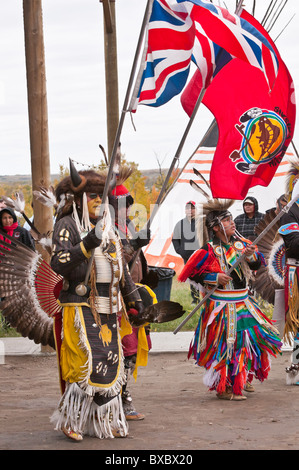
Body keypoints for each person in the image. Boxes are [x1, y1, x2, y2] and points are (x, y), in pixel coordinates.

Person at [50, 162, 146, 441]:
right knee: (84, 362)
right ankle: (73, 418)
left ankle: (105, 417)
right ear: (79, 199)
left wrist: (135, 300)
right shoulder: (67, 224)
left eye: (101, 198)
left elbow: (123, 271)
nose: (98, 202)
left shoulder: (109, 228)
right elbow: (58, 262)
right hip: (79, 305)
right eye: (93, 197)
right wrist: (86, 243)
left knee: (110, 360)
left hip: (108, 306)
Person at [178, 198, 282, 400]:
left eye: (232, 219)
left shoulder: (242, 244)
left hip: (244, 303)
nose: (232, 223)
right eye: (227, 221)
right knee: (226, 345)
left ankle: (243, 377)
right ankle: (224, 386)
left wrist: (251, 255)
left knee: (249, 341)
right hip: (221, 306)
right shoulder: (207, 250)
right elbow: (192, 274)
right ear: (216, 227)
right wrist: (214, 277)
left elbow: (255, 266)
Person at [109, 171, 155, 421]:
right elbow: (113, 262)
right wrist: (134, 245)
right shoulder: (105, 229)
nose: (126, 207)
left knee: (132, 350)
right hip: (113, 299)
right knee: (118, 349)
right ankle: (115, 397)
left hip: (134, 295)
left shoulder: (128, 225)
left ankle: (125, 394)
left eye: (128, 202)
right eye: (120, 203)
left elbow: (136, 262)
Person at [172, 201, 200, 303]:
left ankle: (206, 297)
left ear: (196, 210)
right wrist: (181, 251)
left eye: (192, 208)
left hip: (201, 255)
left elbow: (208, 237)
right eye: (188, 208)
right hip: (187, 256)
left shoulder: (201, 223)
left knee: (205, 276)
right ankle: (195, 299)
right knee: (192, 277)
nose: (190, 210)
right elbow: (175, 239)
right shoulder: (180, 224)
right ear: (185, 210)